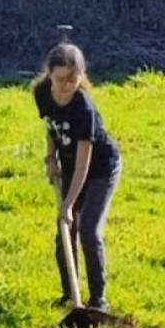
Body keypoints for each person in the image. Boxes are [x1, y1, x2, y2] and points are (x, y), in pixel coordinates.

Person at [33, 43, 121, 312]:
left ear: (82, 75)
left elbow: (85, 164)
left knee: (88, 231)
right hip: (69, 165)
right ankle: (70, 296)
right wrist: (50, 159)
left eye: (73, 79)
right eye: (60, 79)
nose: (66, 86)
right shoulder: (41, 94)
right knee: (64, 233)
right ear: (50, 75)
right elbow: (52, 127)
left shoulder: (84, 109)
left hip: (100, 169)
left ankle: (98, 301)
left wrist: (69, 205)